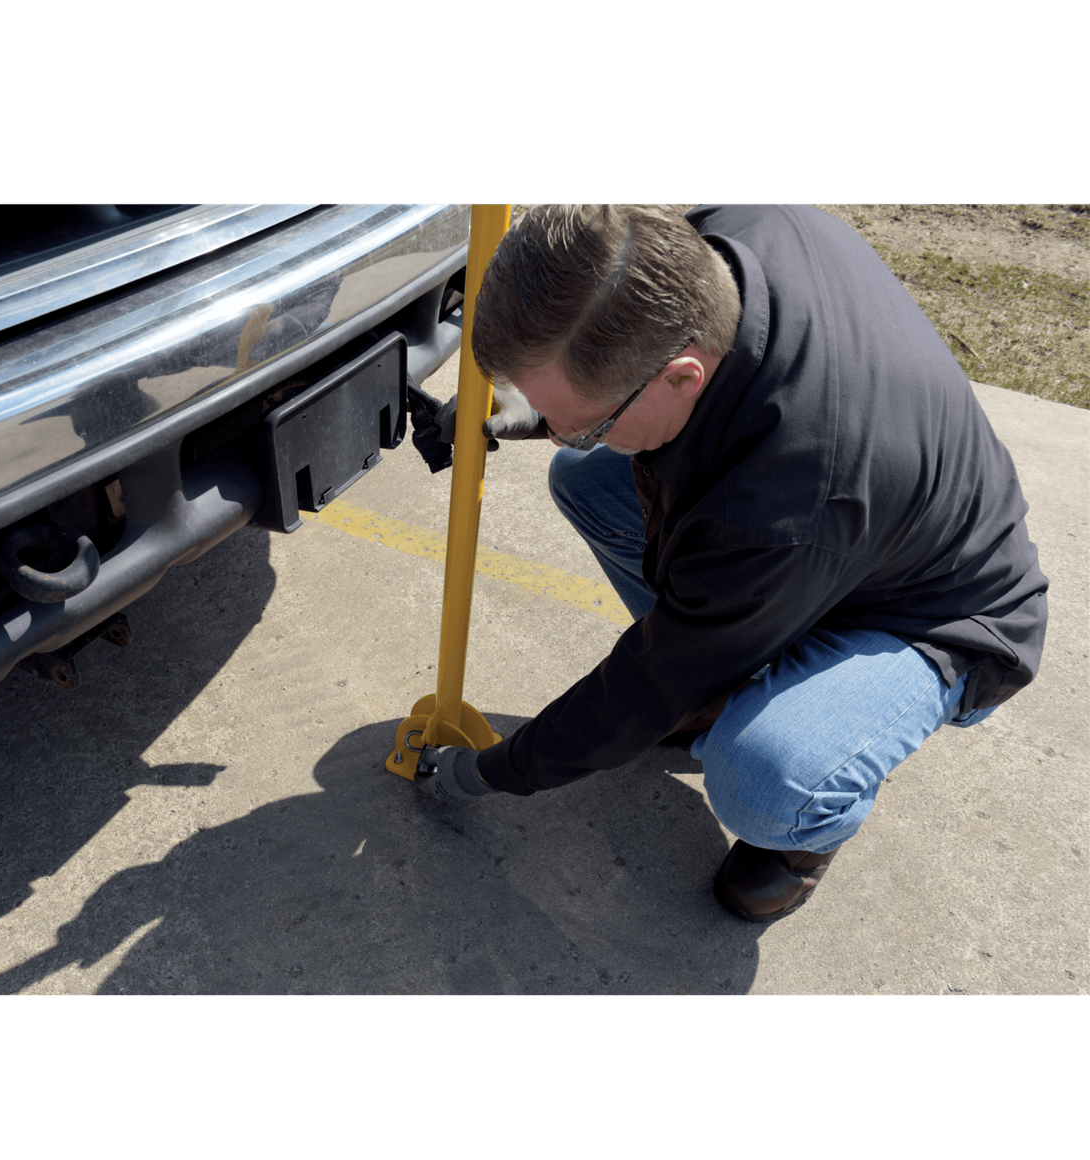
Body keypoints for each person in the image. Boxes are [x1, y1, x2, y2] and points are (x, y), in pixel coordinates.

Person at [409, 204, 1048, 922]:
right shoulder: (733, 232)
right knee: (585, 479)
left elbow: (646, 683)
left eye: (583, 420)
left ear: (681, 377)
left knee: (762, 776)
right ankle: (735, 667)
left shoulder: (779, 507)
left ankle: (804, 833)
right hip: (856, 526)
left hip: (939, 613)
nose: (563, 431)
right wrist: (528, 412)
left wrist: (490, 770)